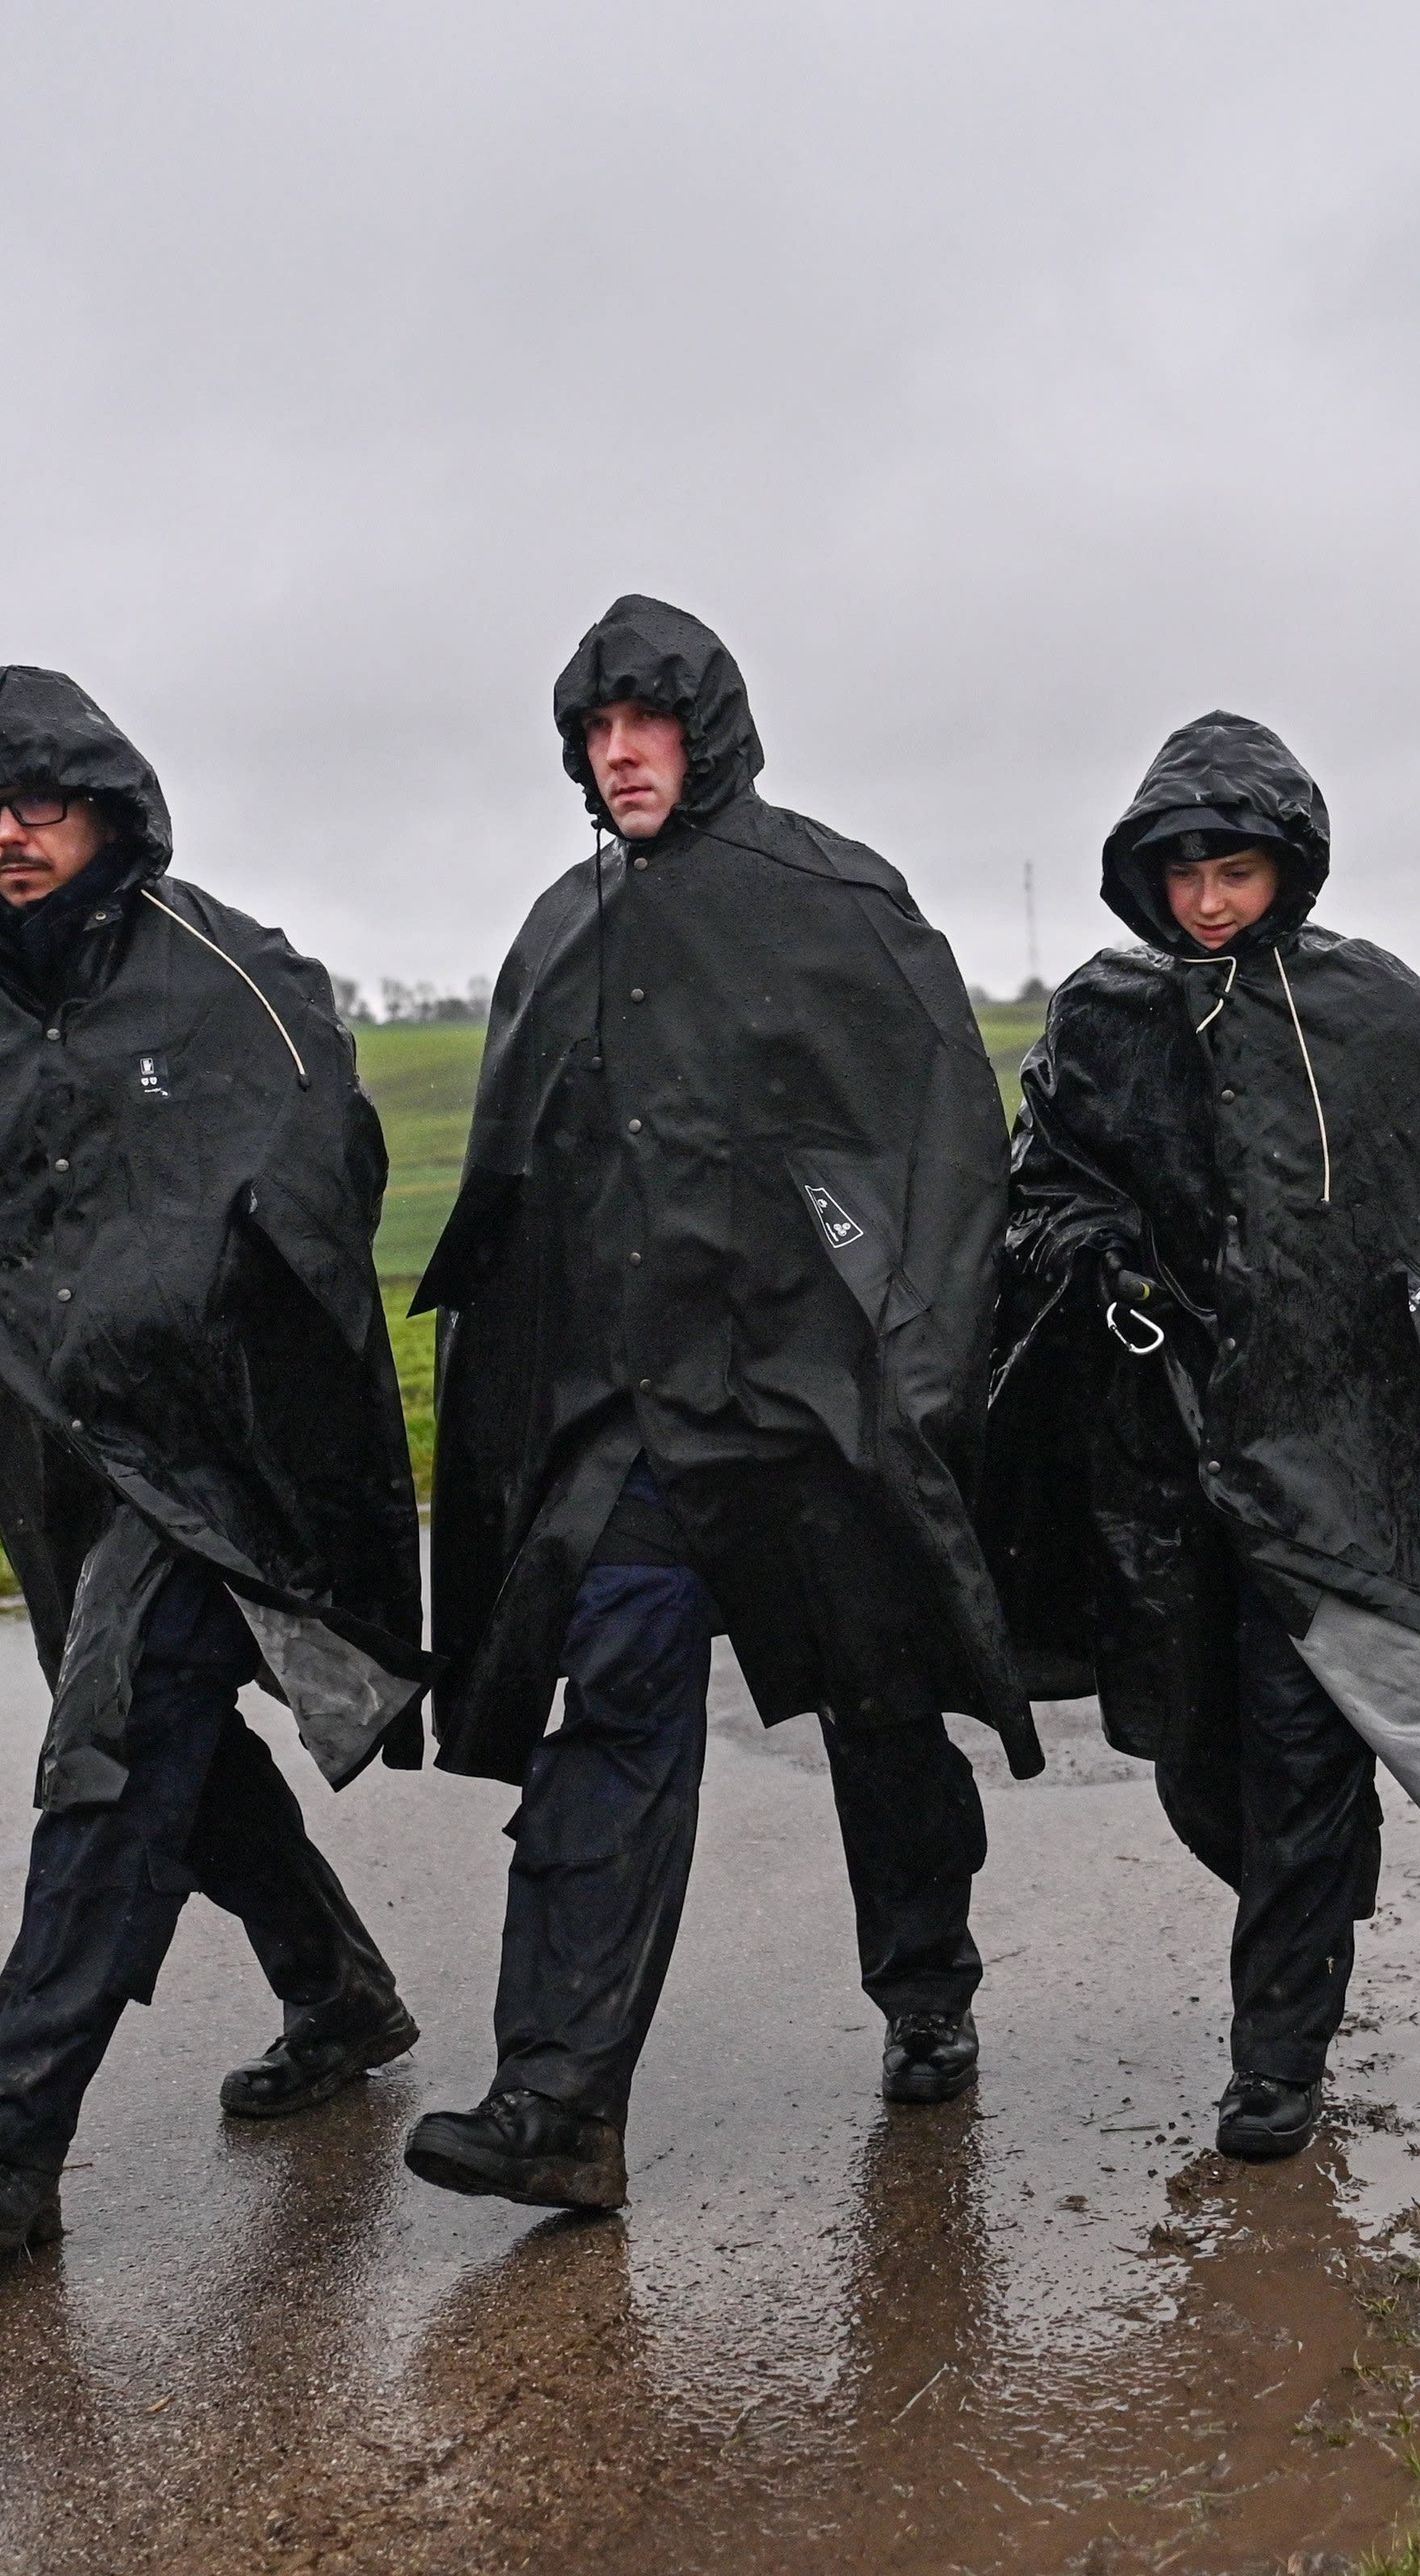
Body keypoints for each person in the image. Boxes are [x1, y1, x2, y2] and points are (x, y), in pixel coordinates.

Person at [399, 597, 1035, 2212]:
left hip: (812, 1410)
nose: (620, 753)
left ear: (709, 732)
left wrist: (914, 1383)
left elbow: (945, 1147)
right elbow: (521, 1190)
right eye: (596, 729)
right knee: (614, 1701)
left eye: (648, 722)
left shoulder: (835, 900)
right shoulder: (564, 926)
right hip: (639, 1426)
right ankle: (556, 2101)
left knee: (880, 1706)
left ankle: (927, 1982)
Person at [0, 665, 429, 2253]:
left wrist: (197, 1311)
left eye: (40, 805)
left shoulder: (218, 968)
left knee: (110, 1741)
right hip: (65, 1452)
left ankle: (8, 2144)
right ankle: (337, 1987)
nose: (12, 835)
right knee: (170, 1739)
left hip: (218, 1443)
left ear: (109, 809)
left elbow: (320, 1157)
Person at [982, 712, 1420, 2162]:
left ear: (1286, 867)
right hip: (1167, 1460)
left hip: (1331, 1453)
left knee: (1301, 1738)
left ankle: (1276, 2062)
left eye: (1234, 869)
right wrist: (1102, 1255)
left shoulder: (1371, 1013)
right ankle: (1308, 1902)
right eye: (1182, 872)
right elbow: (1040, 1186)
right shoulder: (1102, 1017)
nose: (1206, 900)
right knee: (1205, 1751)